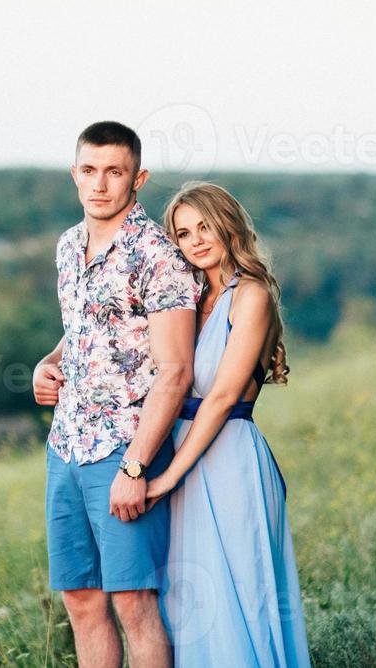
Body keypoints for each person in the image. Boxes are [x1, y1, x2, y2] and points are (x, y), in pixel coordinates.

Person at [32, 120, 201, 668]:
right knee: (80, 600)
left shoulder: (157, 255)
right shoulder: (67, 246)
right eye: (89, 170)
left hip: (124, 450)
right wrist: (49, 362)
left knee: (133, 602)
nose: (100, 184)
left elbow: (175, 371)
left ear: (138, 178)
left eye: (114, 172)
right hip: (67, 447)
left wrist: (135, 467)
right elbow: (87, 325)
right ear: (74, 174)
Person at [144, 180, 311, 667]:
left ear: (227, 225)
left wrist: (170, 476)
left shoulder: (250, 294)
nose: (195, 240)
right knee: (191, 602)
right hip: (177, 450)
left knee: (242, 593)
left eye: (204, 226)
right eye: (181, 233)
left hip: (228, 457)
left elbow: (220, 398)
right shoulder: (187, 300)